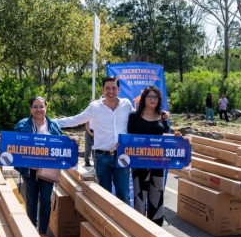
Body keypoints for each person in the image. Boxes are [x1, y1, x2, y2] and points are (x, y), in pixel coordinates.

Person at [54, 77, 134, 203]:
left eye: (114, 88)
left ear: (119, 89)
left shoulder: (126, 105)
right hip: (102, 158)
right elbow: (75, 119)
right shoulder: (95, 106)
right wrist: (49, 122)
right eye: (107, 88)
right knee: (103, 196)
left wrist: (159, 115)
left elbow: (139, 119)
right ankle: (104, 223)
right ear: (102, 90)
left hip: (122, 157)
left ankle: (125, 222)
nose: (110, 91)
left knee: (123, 195)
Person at [14, 96, 63, 237]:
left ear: (46, 108)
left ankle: (42, 233)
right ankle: (31, 231)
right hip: (30, 170)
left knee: (46, 200)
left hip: (48, 170)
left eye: (41, 106)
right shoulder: (23, 125)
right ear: (30, 109)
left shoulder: (53, 125)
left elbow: (61, 144)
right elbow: (15, 143)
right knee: (31, 200)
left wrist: (71, 142)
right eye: (35, 106)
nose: (38, 109)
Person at [127, 85, 172, 226]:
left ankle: (156, 230)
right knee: (140, 197)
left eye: (156, 97)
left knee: (157, 197)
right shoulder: (134, 117)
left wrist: (176, 137)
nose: (153, 99)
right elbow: (129, 138)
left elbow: (166, 138)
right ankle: (140, 229)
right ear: (144, 99)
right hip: (139, 164)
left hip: (158, 164)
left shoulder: (162, 117)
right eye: (150, 96)